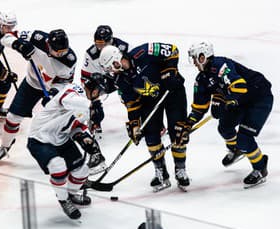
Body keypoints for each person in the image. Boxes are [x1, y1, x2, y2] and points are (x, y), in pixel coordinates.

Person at [175, 41, 273, 188]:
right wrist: (188, 123)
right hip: (240, 100)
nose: (194, 62)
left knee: (245, 138)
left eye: (195, 58)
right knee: (225, 127)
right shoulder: (201, 79)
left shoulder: (220, 65)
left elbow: (239, 85)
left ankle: (260, 168)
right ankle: (236, 150)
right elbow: (199, 107)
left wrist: (229, 99)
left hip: (258, 98)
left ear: (203, 56)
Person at [99, 44, 189, 192]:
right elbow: (131, 102)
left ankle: (180, 170)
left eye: (110, 67)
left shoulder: (144, 52)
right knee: (150, 136)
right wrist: (134, 124)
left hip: (173, 92)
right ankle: (161, 171)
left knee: (178, 131)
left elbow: (173, 50)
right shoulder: (120, 80)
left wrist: (170, 72)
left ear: (116, 61)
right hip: (150, 100)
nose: (111, 72)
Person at [0, 28, 77, 163]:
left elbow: (64, 83)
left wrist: (54, 93)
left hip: (52, 90)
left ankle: (67, 153)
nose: (61, 55)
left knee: (60, 124)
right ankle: (5, 146)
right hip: (31, 84)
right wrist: (18, 45)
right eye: (58, 52)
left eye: (63, 51)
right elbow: (6, 37)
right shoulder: (37, 37)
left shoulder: (69, 60)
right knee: (12, 118)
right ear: (48, 45)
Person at [27, 81, 105, 219]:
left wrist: (83, 138)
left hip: (60, 138)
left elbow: (75, 126)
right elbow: (66, 99)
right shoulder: (75, 90)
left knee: (82, 171)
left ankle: (71, 194)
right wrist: (90, 105)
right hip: (40, 138)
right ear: (93, 90)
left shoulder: (88, 108)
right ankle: (64, 200)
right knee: (58, 167)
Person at [81, 25, 129, 137]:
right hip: (107, 80)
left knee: (132, 94)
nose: (100, 47)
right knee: (90, 89)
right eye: (98, 44)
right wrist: (93, 97)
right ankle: (95, 119)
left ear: (111, 41)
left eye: (103, 44)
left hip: (124, 76)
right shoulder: (91, 54)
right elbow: (85, 77)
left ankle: (143, 116)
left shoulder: (125, 48)